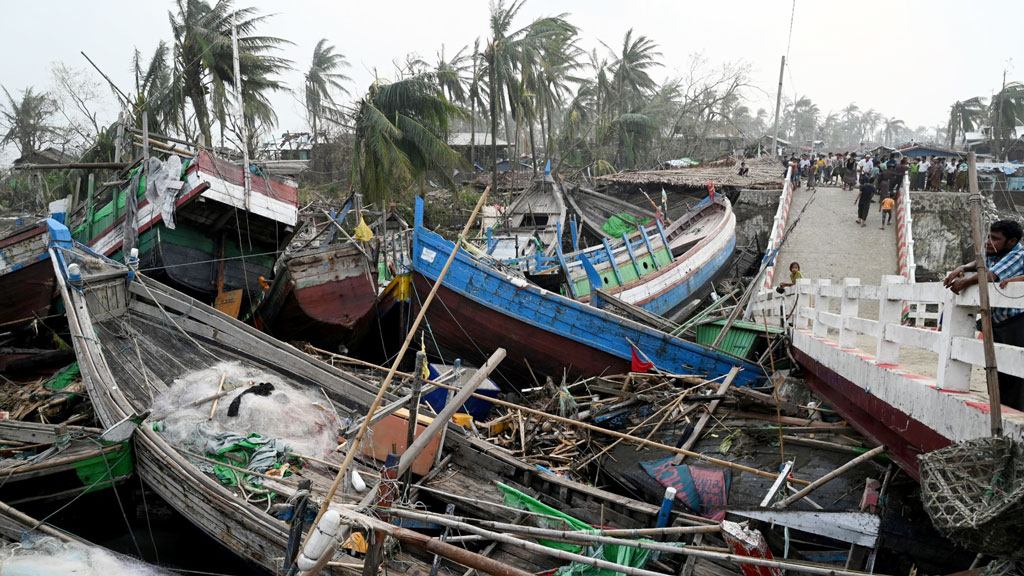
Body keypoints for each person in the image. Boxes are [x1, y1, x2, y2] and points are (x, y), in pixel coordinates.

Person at [944, 220, 1024, 410]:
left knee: (1015, 374)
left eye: (995, 239)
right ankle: (1000, 408)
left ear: (1012, 242)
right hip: (998, 322)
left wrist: (964, 282)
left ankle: (1014, 414)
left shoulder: (1018, 255)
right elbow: (980, 263)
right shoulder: (996, 253)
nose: (988, 242)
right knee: (995, 371)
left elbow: (990, 276)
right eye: (988, 237)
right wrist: (963, 267)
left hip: (1016, 323)